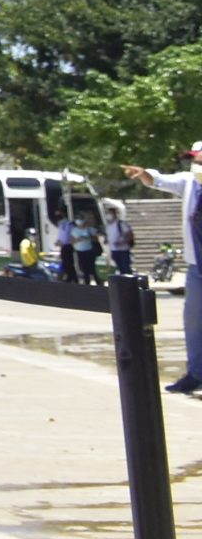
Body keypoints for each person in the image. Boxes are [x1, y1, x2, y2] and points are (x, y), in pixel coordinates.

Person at [126, 146, 202, 392]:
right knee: (193, 322)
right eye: (193, 159)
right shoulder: (189, 182)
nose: (195, 164)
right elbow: (158, 180)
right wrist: (143, 173)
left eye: (198, 159)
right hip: (197, 267)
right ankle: (196, 374)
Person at [105, 201, 135, 281]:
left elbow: (130, 234)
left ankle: (129, 283)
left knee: (125, 268)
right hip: (114, 250)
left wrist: (123, 242)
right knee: (119, 268)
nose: (108, 215)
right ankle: (123, 284)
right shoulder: (108, 225)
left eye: (110, 213)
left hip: (123, 250)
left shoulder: (121, 224)